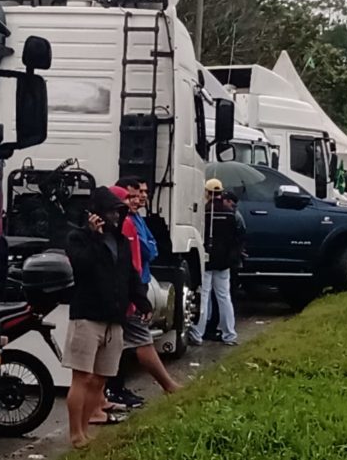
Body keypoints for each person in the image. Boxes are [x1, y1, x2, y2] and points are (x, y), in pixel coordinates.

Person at [63, 187, 152, 448]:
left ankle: (87, 425)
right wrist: (93, 237)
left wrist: (140, 299)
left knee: (100, 379)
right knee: (82, 377)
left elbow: (130, 275)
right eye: (112, 211)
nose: (116, 216)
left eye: (119, 212)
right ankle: (75, 432)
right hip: (87, 316)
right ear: (97, 214)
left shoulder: (121, 242)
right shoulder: (78, 238)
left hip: (115, 318)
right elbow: (82, 266)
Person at [101, 180, 181, 413]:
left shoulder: (132, 222)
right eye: (129, 197)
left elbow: (149, 250)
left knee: (119, 345)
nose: (137, 200)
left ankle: (108, 394)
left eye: (141, 194)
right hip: (130, 293)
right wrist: (136, 296)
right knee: (140, 341)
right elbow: (138, 259)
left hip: (133, 289)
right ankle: (167, 385)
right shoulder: (125, 225)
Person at [189, 179, 243, 346]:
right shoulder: (230, 213)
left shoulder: (203, 212)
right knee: (224, 297)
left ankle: (198, 334)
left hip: (207, 260)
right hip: (225, 262)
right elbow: (237, 238)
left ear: (206, 192)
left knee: (203, 296)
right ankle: (229, 334)